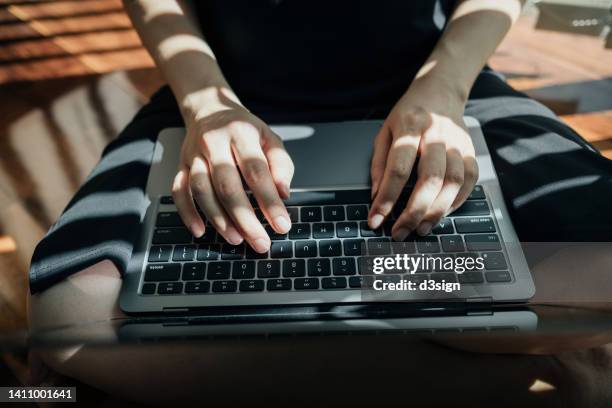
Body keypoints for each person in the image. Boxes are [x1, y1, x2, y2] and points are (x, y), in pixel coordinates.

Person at [28, 0, 612, 404]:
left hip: (438, 87)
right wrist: (206, 105)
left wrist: (443, 92)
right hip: (225, 96)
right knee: (71, 315)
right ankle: (509, 387)